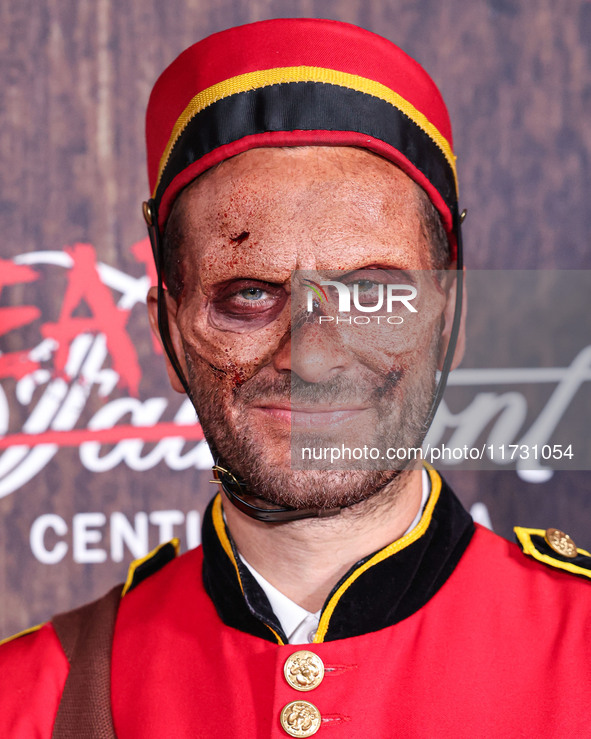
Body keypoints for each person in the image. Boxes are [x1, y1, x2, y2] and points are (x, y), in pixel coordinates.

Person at [1, 17, 590, 738]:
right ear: (165, 333)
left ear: (451, 320)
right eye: (248, 294)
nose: (311, 358)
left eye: (371, 293)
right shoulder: (29, 697)